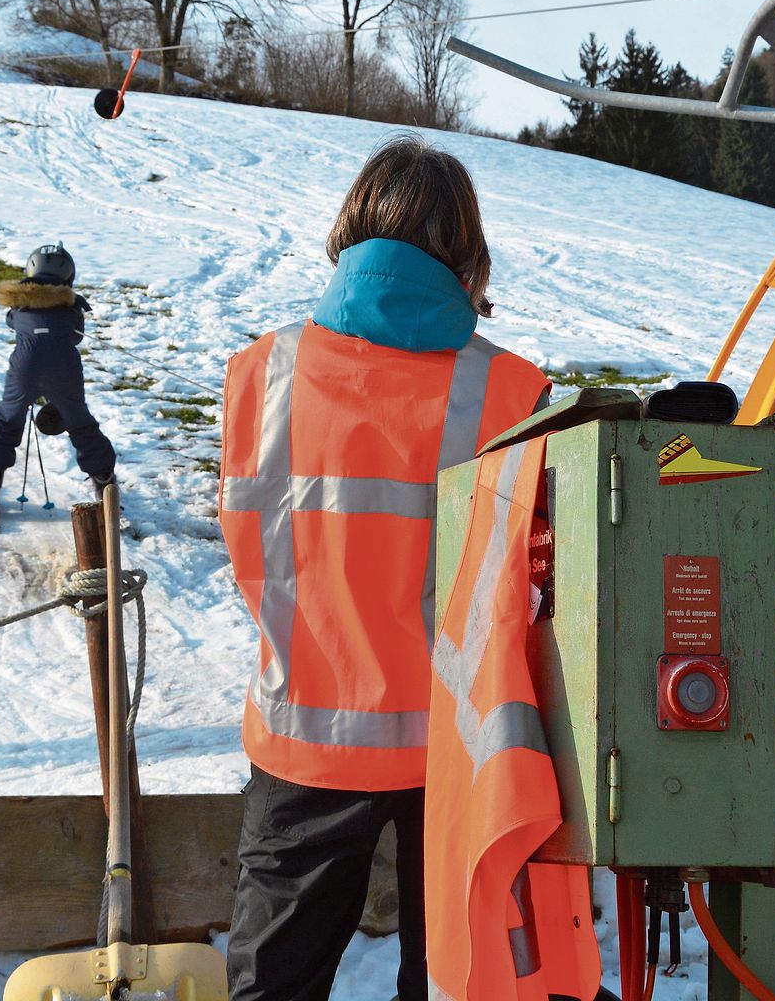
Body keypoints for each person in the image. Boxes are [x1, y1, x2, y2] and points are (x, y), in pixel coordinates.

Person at [217, 136, 550, 1001]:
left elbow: (248, 544)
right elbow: (539, 577)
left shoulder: (262, 374)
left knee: (274, 984)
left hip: (306, 736)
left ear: (349, 236)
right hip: (463, 745)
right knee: (458, 980)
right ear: (468, 256)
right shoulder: (514, 394)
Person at [0, 243, 116, 517]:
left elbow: (12, 323)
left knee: (7, 418)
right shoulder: (72, 306)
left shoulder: (19, 303)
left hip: (24, 368)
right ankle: (104, 481)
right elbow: (75, 336)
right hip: (64, 370)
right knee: (80, 422)